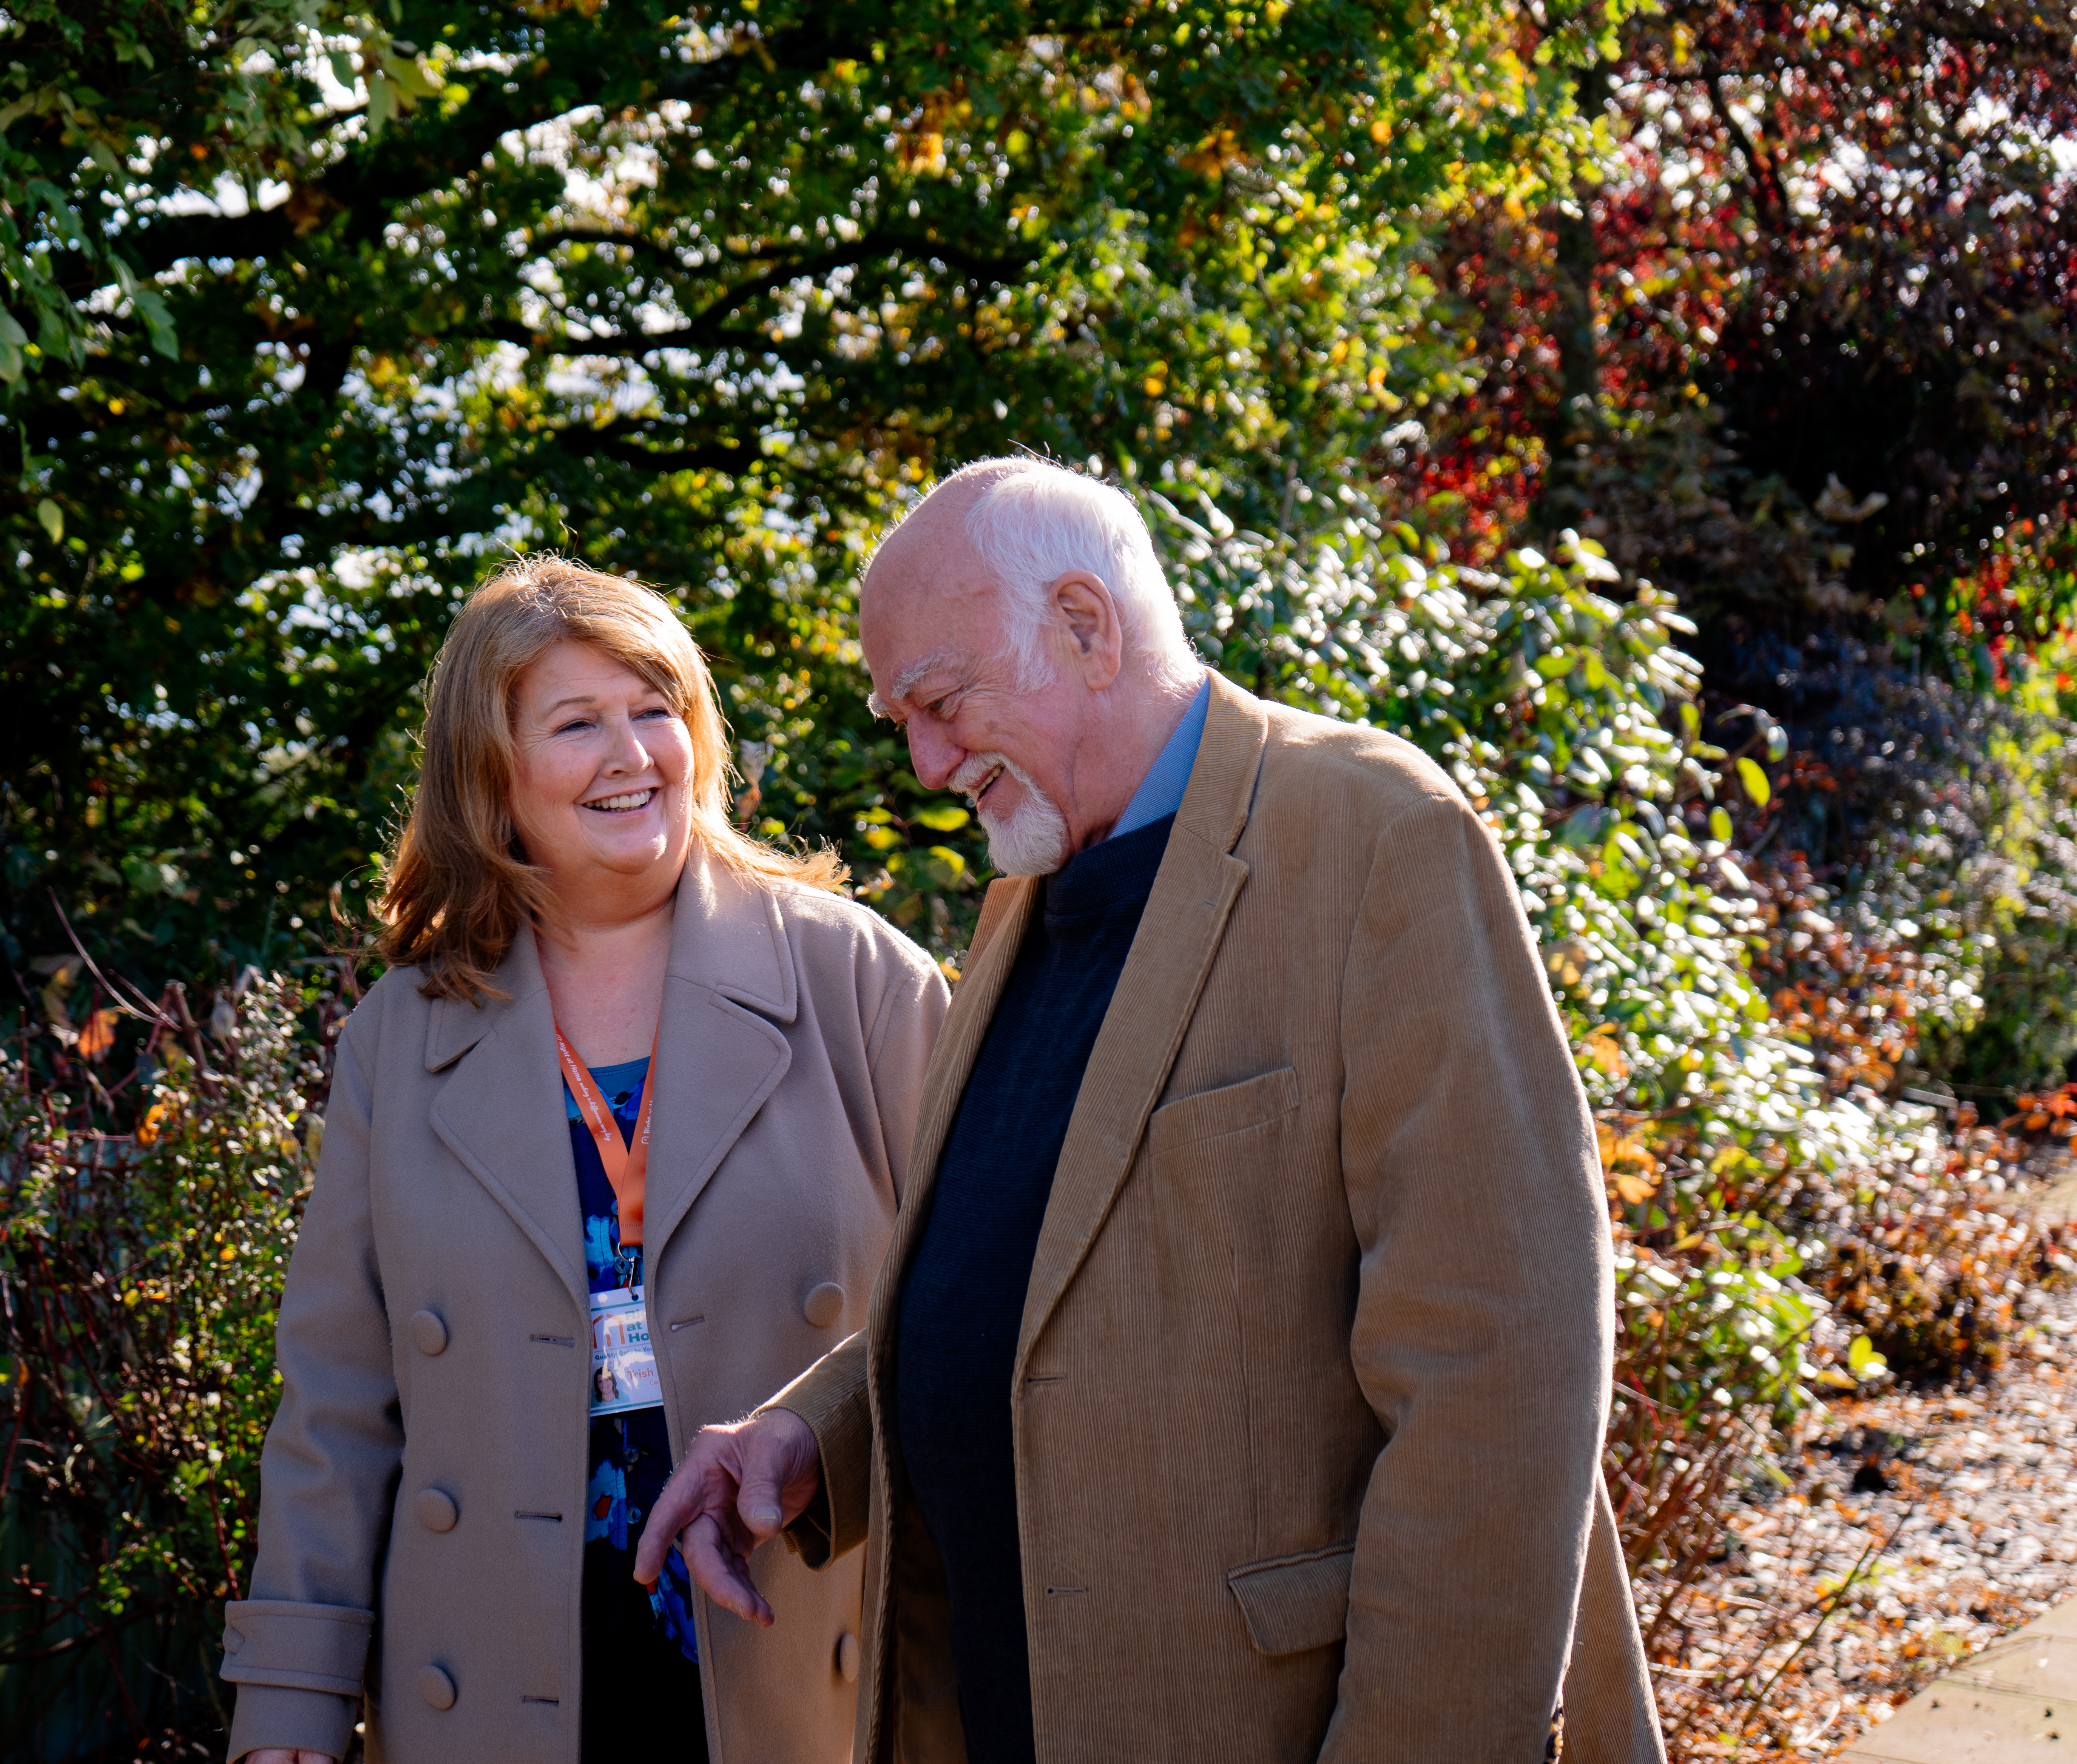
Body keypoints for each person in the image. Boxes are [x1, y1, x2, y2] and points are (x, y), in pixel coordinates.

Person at [637, 460, 1667, 1763]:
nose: (927, 760)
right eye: (906, 717)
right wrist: (816, 1432)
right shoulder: (1036, 886)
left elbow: (1498, 1370)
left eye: (943, 703)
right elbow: (1045, 1275)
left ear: (1087, 623)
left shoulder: (1375, 835)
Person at [220, 558, 949, 1764]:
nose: (632, 754)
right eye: (577, 724)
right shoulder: (401, 1038)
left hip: (795, 1638)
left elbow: (977, 1304)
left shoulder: (857, 979)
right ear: (488, 775)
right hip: (493, 1669)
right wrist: (290, 1702)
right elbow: (337, 1403)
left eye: (656, 708)